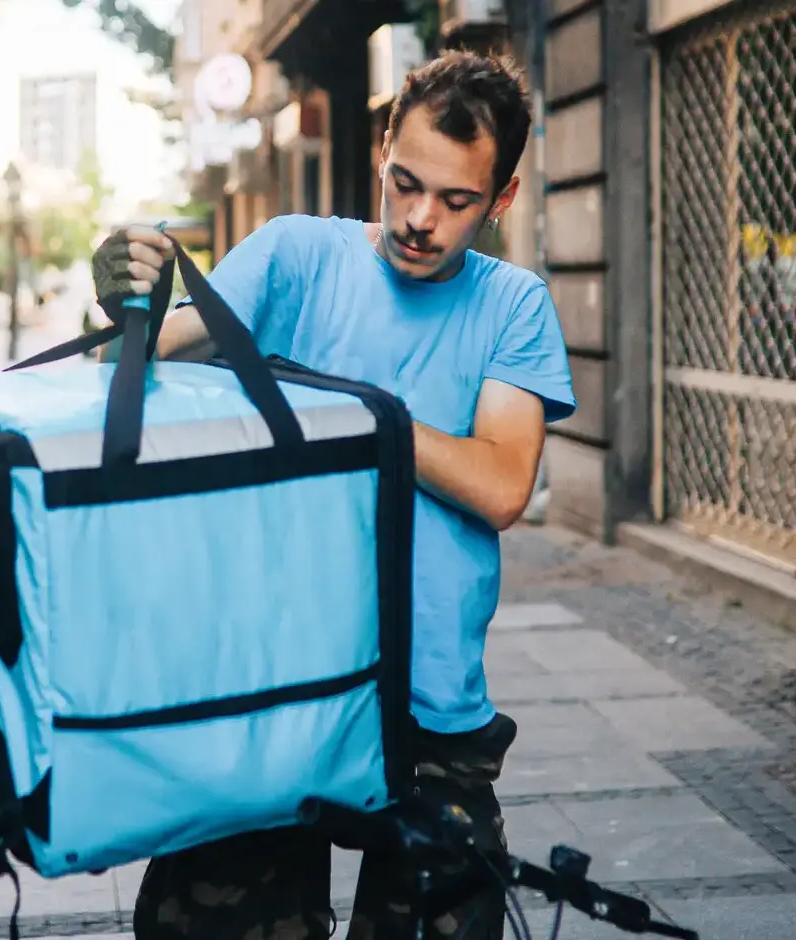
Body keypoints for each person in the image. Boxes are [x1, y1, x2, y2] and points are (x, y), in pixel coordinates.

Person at [91, 51, 577, 940]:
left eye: (456, 200)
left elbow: (502, 484)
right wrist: (127, 303)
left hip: (430, 706)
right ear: (383, 150)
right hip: (273, 682)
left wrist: (350, 412)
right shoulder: (295, 255)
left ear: (502, 199)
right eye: (406, 183)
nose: (420, 219)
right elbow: (135, 363)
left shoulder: (514, 306)